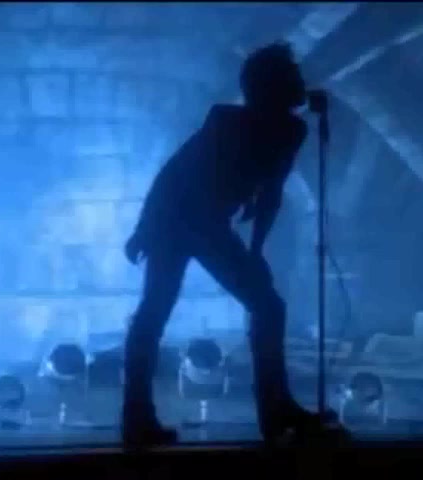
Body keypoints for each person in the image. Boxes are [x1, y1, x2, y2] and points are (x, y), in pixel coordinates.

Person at [120, 42, 327, 447]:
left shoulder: (290, 131)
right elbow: (175, 173)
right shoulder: (226, 121)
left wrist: (257, 250)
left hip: (203, 222)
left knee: (261, 307)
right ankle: (139, 415)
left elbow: (270, 193)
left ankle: (275, 409)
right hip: (178, 218)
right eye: (293, 75)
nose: (301, 81)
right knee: (159, 311)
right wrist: (145, 228)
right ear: (273, 85)